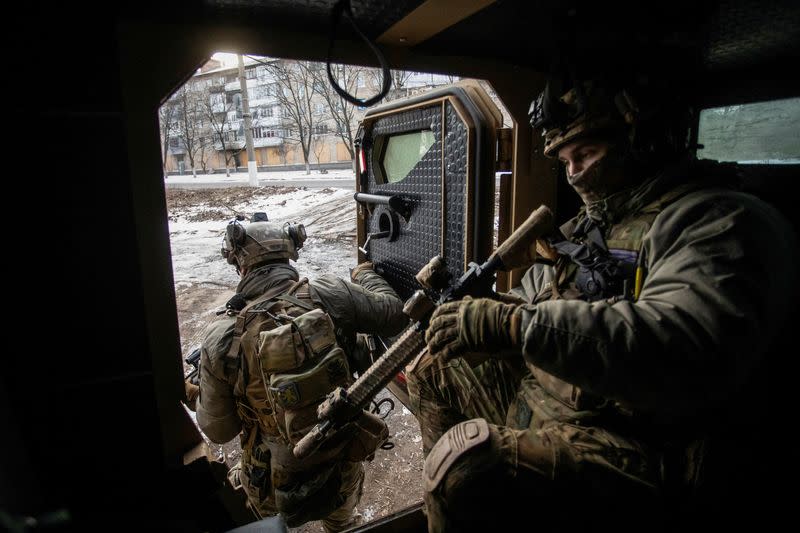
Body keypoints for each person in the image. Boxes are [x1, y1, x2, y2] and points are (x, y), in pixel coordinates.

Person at [407, 67, 799, 531]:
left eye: (587, 153)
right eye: (565, 160)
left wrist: (512, 327)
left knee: (464, 468)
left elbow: (680, 348)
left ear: (642, 141)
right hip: (553, 402)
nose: (574, 174)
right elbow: (532, 301)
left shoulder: (717, 222)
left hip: (632, 442)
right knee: (434, 367)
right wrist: (482, 317)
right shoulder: (584, 229)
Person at [188, 213, 408, 532]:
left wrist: (199, 391)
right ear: (288, 255)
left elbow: (219, 430)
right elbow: (396, 315)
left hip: (270, 484)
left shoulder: (221, 337)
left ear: (242, 266)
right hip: (339, 465)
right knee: (343, 524)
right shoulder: (330, 294)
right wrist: (365, 274)